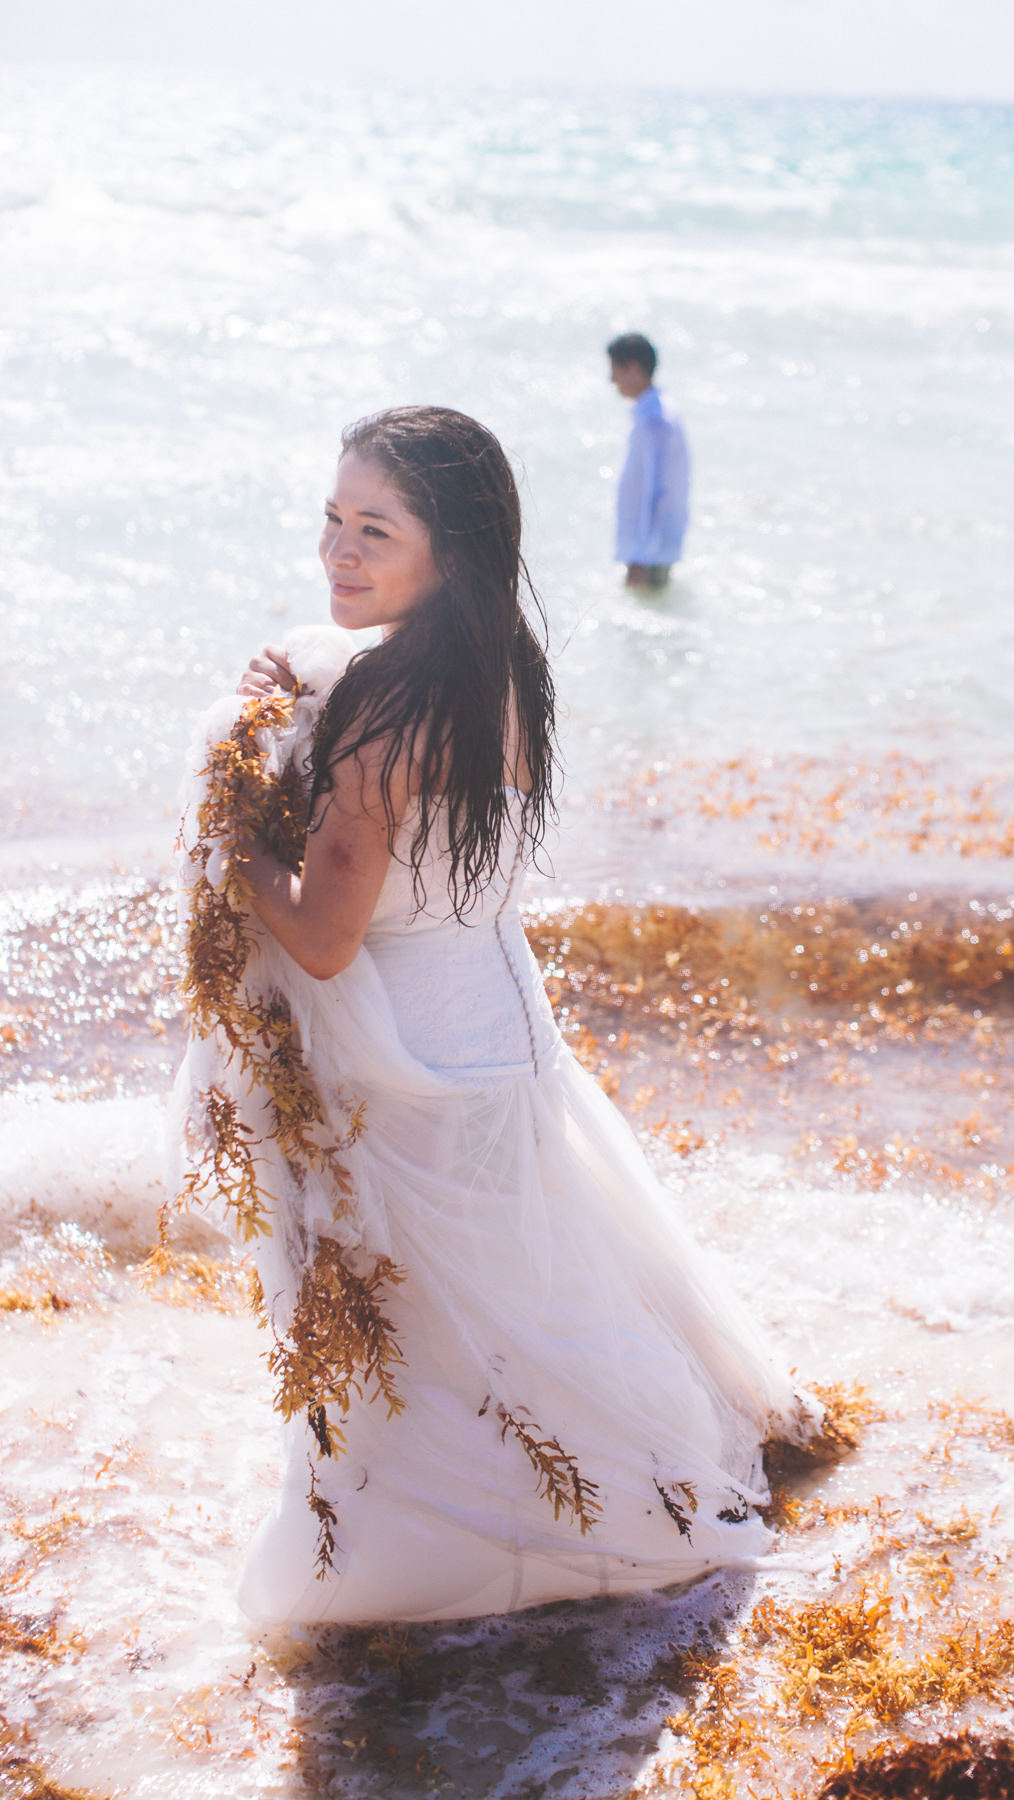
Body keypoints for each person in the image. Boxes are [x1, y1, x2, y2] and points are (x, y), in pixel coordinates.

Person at [174, 405, 815, 1626]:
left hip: (399, 1055)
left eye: (375, 530)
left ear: (448, 554)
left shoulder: (380, 712)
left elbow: (319, 937)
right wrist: (291, 685)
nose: (337, 553)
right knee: (515, 1297)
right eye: (332, 519)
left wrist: (233, 843)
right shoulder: (499, 664)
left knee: (426, 1322)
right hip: (500, 1023)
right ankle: (622, 1486)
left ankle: (490, 1537)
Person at [607, 332, 690, 591]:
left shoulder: (654, 418)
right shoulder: (655, 411)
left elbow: (653, 490)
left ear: (633, 369)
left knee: (648, 625)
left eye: (614, 370)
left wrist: (640, 555)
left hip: (649, 551)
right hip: (652, 547)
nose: (611, 380)